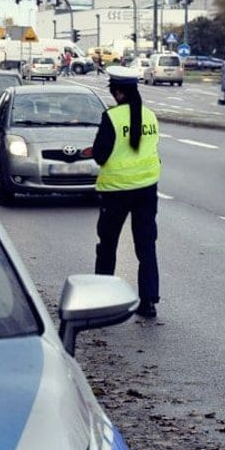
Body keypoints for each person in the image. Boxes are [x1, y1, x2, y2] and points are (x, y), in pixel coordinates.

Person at [92, 65, 161, 318]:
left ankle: (102, 300)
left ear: (119, 93)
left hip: (116, 191)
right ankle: (149, 301)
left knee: (108, 245)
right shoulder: (151, 116)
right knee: (146, 246)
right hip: (146, 189)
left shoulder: (111, 117)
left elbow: (100, 154)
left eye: (113, 91)